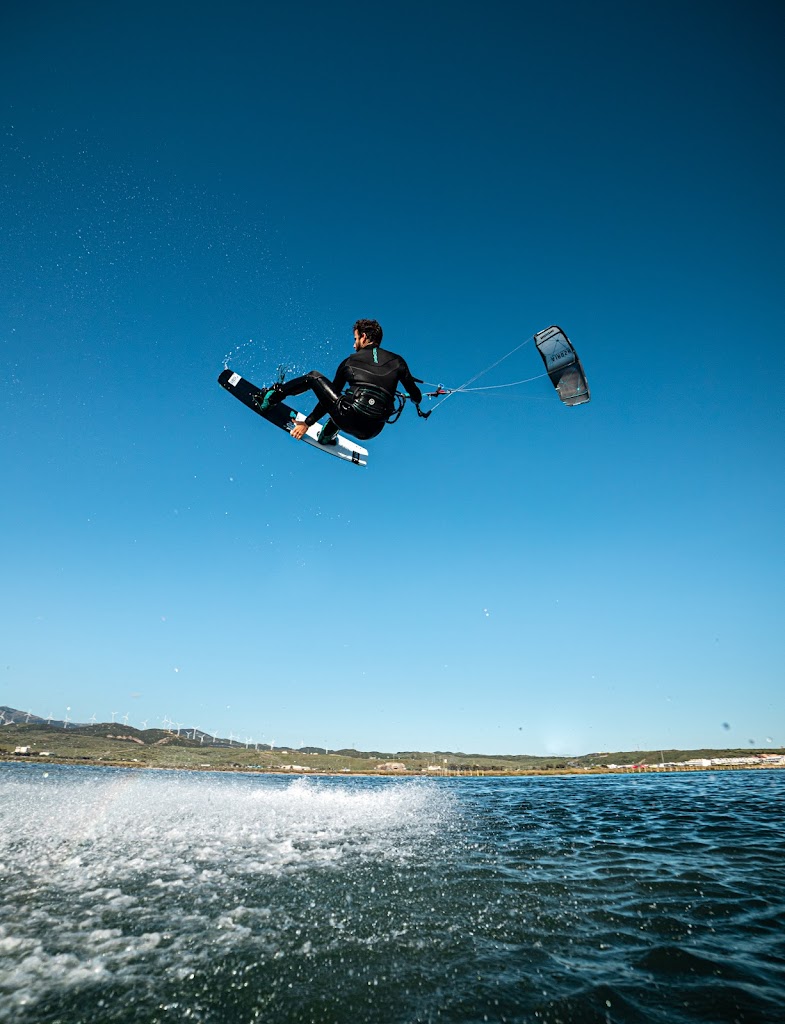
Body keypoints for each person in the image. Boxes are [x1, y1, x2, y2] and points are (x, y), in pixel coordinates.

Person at [256, 319, 423, 445]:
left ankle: (270, 398)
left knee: (316, 378)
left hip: (348, 417)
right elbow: (416, 396)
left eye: (356, 338)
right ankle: (328, 433)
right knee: (346, 400)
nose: (354, 344)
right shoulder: (398, 362)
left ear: (364, 337)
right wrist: (415, 400)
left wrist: (307, 424)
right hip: (373, 430)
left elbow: (327, 400)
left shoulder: (349, 362)